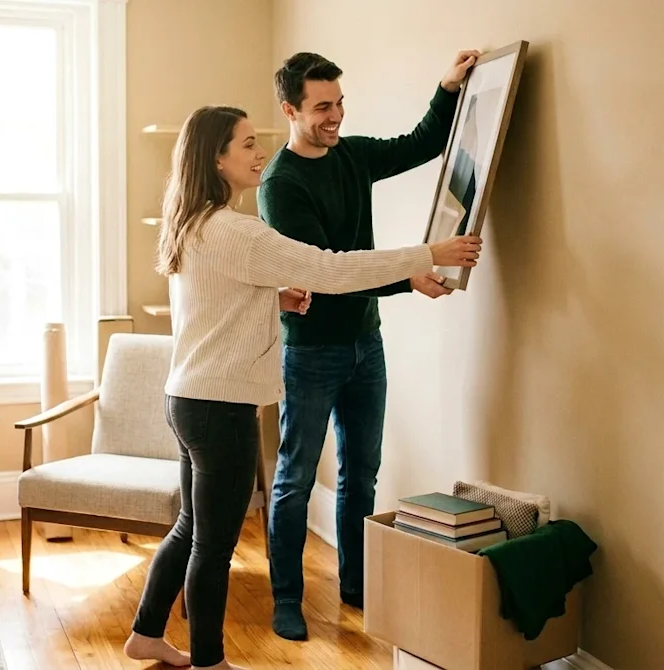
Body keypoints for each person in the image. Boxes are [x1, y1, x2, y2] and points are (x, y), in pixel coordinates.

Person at [121, 105, 482, 670]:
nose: (259, 152)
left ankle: (146, 634)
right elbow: (329, 268)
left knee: (192, 527)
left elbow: (215, 300)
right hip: (220, 407)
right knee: (214, 546)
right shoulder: (238, 230)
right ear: (216, 158)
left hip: (187, 397)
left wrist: (273, 297)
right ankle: (211, 662)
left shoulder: (191, 223)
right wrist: (426, 255)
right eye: (245, 145)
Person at [257, 49, 482, 641]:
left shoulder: (350, 155)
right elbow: (330, 274)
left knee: (362, 475)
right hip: (310, 353)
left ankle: (356, 585)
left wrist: (447, 85)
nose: (336, 116)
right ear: (290, 109)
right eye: (322, 107)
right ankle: (287, 599)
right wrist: (411, 274)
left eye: (340, 103)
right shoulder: (280, 186)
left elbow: (422, 142)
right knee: (294, 480)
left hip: (365, 345)